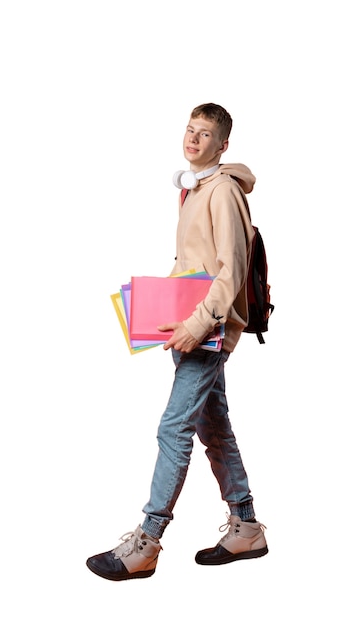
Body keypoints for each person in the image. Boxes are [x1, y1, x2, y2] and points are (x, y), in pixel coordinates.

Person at [86, 103, 268, 581]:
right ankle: (246, 526)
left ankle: (147, 541)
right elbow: (194, 262)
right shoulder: (195, 188)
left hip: (207, 329)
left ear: (222, 144)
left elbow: (231, 268)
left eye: (205, 134)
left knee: (173, 428)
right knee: (215, 426)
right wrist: (159, 309)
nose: (193, 139)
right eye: (190, 130)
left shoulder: (223, 191)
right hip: (191, 323)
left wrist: (199, 322)